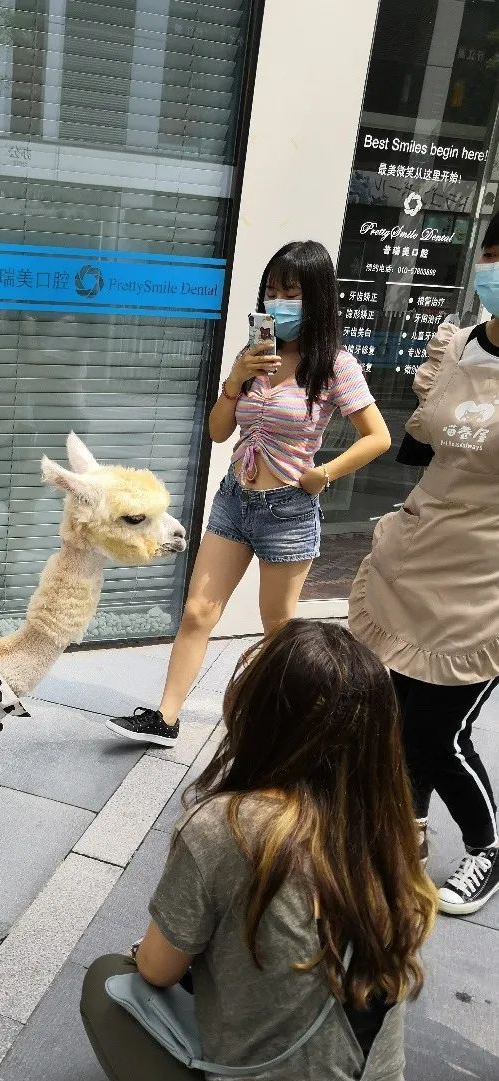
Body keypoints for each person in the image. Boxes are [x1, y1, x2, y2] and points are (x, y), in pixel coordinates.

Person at [83, 621, 437, 1081]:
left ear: (259, 714)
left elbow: (158, 970)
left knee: (105, 984)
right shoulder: (390, 828)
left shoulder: (229, 826)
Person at [107, 241, 391, 746]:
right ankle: (165, 719)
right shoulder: (255, 355)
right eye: (273, 289)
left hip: (287, 510)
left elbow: (378, 436)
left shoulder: (334, 365)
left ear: (318, 298)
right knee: (198, 611)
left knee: (277, 629)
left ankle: (290, 725)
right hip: (234, 499)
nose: (279, 300)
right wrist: (235, 380)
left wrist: (323, 474)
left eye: (292, 291)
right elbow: (219, 431)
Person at [349, 214, 499, 916]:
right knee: (396, 721)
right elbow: (425, 452)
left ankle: (488, 844)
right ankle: (400, 843)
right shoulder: (455, 346)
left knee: (439, 733)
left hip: (484, 585)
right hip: (417, 555)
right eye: (494, 256)